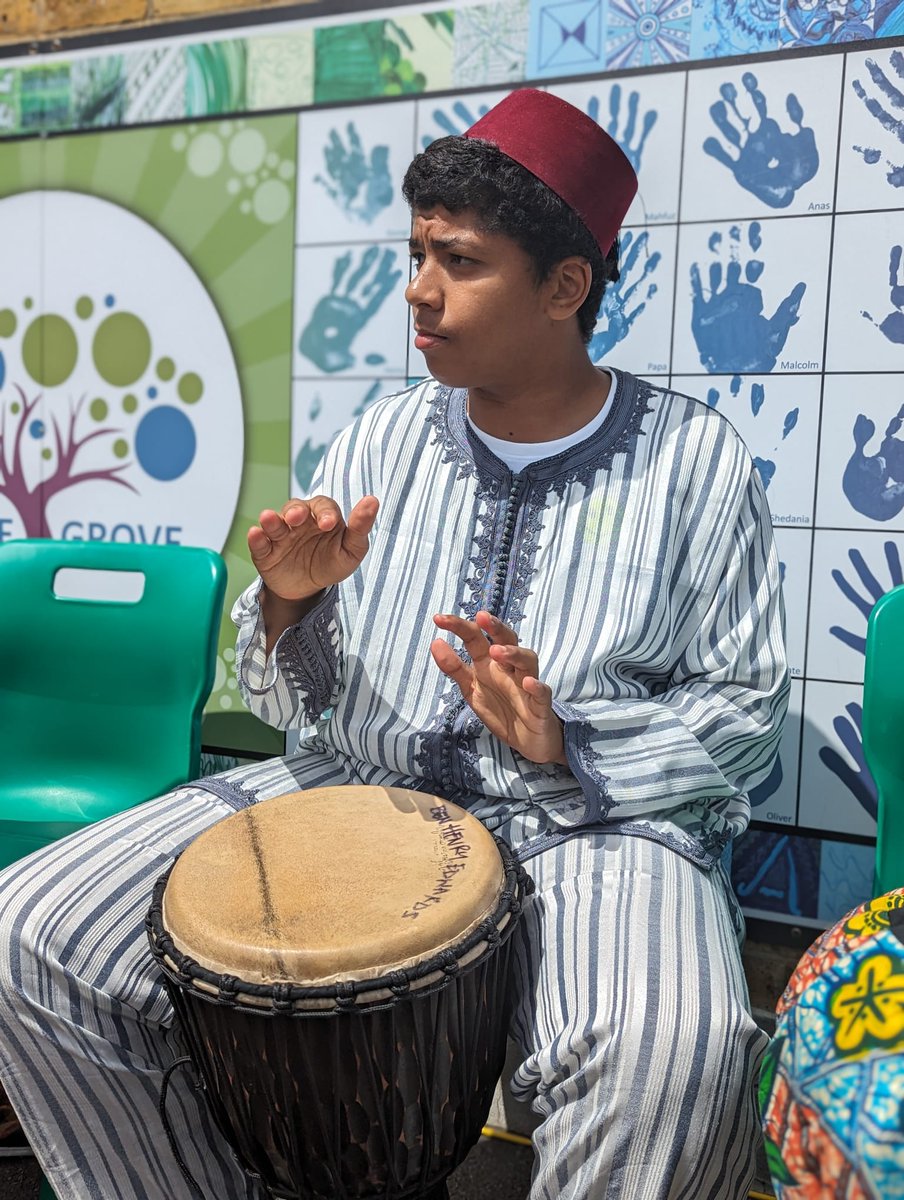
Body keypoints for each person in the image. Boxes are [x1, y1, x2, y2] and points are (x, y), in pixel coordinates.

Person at [0, 88, 788, 1199]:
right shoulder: (380, 432)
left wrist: (568, 736)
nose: (416, 290)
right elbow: (286, 699)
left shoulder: (696, 460)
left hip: (589, 820)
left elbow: (746, 712)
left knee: (677, 1050)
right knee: (33, 936)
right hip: (353, 788)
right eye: (415, 252)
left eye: (456, 261)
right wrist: (289, 608)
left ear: (565, 287)